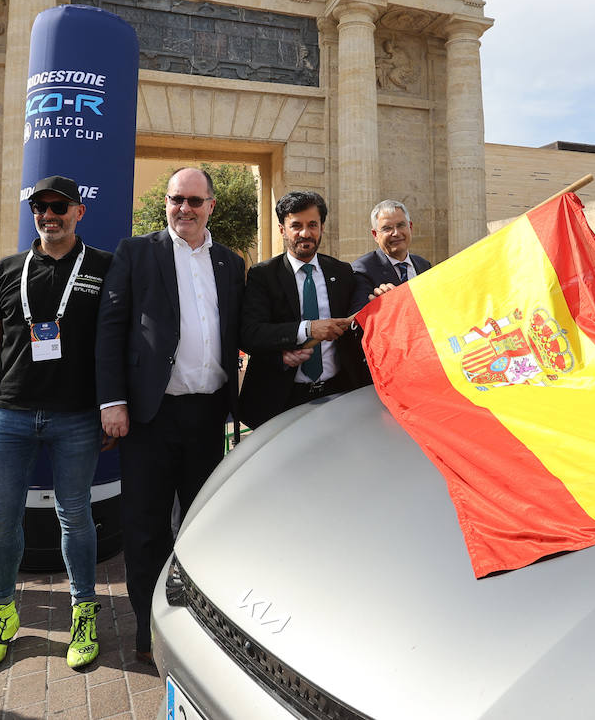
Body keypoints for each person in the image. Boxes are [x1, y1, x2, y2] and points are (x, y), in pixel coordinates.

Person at [95, 167, 244, 666]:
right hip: (149, 420)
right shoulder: (137, 253)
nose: (184, 208)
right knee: (145, 528)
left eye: (194, 201)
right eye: (176, 199)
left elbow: (241, 329)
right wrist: (112, 401)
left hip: (209, 417)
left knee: (204, 525)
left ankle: (202, 623)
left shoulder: (230, 262)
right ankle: (148, 628)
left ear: (211, 207)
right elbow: (111, 330)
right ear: (166, 202)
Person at [0, 176, 113, 672]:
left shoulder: (103, 267)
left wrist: (113, 407)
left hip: (77, 416)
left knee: (75, 516)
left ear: (78, 211)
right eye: (40, 207)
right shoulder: (7, 269)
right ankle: (1, 614)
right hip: (9, 415)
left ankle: (83, 612)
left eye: (58, 207)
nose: (48, 215)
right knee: (2, 521)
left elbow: (117, 346)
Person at [240, 190, 366, 429]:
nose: (305, 233)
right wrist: (306, 330)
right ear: (282, 229)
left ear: (322, 227)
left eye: (312, 225)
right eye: (296, 225)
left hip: (338, 396)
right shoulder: (262, 276)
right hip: (282, 401)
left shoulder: (341, 272)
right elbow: (250, 333)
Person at [350, 199, 432, 314]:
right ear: (375, 235)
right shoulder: (362, 270)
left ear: (410, 227)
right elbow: (360, 319)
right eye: (387, 228)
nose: (396, 233)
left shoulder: (424, 265)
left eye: (401, 225)